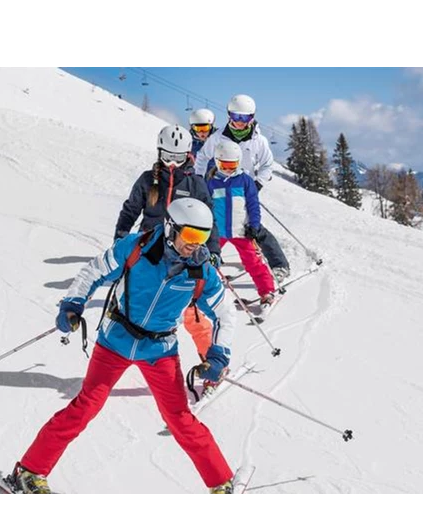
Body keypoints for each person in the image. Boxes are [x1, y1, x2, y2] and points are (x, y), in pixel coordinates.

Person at [11, 198, 238, 494]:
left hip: (159, 350)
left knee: (180, 419)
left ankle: (221, 483)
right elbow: (94, 270)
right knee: (85, 407)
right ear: (171, 227)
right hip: (114, 341)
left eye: (203, 238)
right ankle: (29, 471)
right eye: (191, 236)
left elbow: (225, 312)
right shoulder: (136, 247)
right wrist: (73, 302)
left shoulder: (201, 272)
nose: (195, 245)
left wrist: (218, 353)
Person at [114, 124, 219, 362]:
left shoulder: (196, 185)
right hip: (148, 251)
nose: (172, 163)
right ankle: (121, 356)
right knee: (134, 305)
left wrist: (213, 250)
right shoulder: (147, 180)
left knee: (193, 312)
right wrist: (121, 237)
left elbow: (210, 221)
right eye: (168, 157)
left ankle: (210, 361)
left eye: (178, 158)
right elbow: (130, 210)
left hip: (186, 254)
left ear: (188, 155)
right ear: (159, 152)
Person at [195, 94, 291, 284]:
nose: (239, 122)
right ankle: (210, 261)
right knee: (220, 226)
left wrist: (257, 184)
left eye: (244, 118)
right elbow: (202, 158)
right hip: (222, 184)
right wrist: (200, 181)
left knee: (253, 227)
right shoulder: (218, 138)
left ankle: (279, 264)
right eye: (235, 116)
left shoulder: (259, 141)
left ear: (252, 118)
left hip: (247, 187)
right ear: (229, 115)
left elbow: (267, 165)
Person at [206, 139, 277, 307]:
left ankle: (266, 291)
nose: (229, 170)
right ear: (217, 162)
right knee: (207, 262)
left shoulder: (245, 180)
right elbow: (206, 206)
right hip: (217, 233)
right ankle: (200, 293)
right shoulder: (210, 182)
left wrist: (254, 225)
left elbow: (253, 205)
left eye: (233, 166)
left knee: (253, 262)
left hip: (241, 232)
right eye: (225, 166)